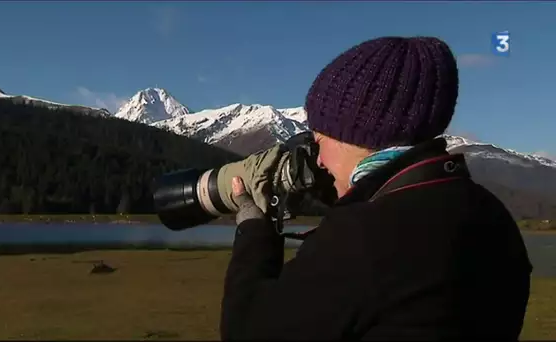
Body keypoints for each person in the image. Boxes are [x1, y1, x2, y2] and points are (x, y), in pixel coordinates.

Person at [219, 36, 533, 340]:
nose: (321, 162)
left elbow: (248, 330)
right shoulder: (491, 214)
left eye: (320, 143)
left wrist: (254, 231)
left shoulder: (365, 233)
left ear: (355, 136)